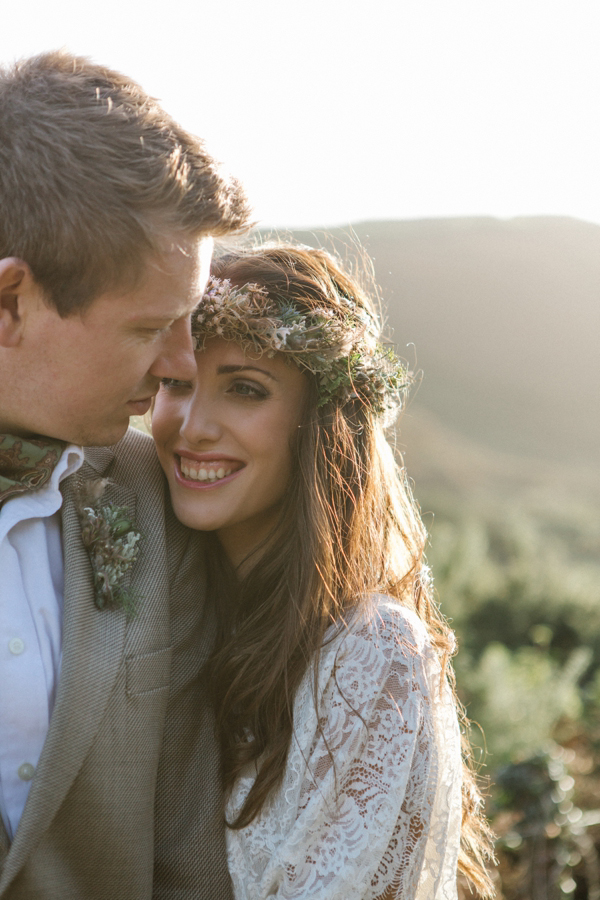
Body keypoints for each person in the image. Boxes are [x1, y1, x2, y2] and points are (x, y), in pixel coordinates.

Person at [152, 243, 496, 899]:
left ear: (319, 425)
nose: (193, 427)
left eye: (244, 389)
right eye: (176, 383)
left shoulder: (371, 656)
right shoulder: (179, 602)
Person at [0, 51, 251, 899]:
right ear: (10, 303)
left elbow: (186, 846)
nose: (180, 365)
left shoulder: (152, 497)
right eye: (151, 328)